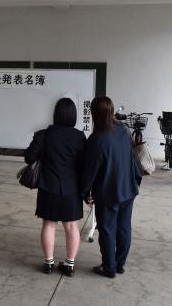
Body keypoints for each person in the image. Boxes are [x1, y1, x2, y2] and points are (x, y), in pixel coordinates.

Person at [25, 98, 86, 277]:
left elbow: (29, 158)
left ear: (55, 114)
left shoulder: (43, 135)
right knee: (71, 226)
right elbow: (85, 164)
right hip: (72, 189)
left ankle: (49, 263)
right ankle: (69, 264)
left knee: (49, 224)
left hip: (48, 187)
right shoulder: (79, 136)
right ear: (73, 115)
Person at [82, 96, 141, 279]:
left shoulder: (96, 139)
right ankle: (119, 264)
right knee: (124, 228)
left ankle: (109, 268)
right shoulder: (123, 130)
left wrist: (85, 192)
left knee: (107, 230)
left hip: (107, 192)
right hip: (128, 187)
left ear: (95, 114)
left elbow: (90, 171)